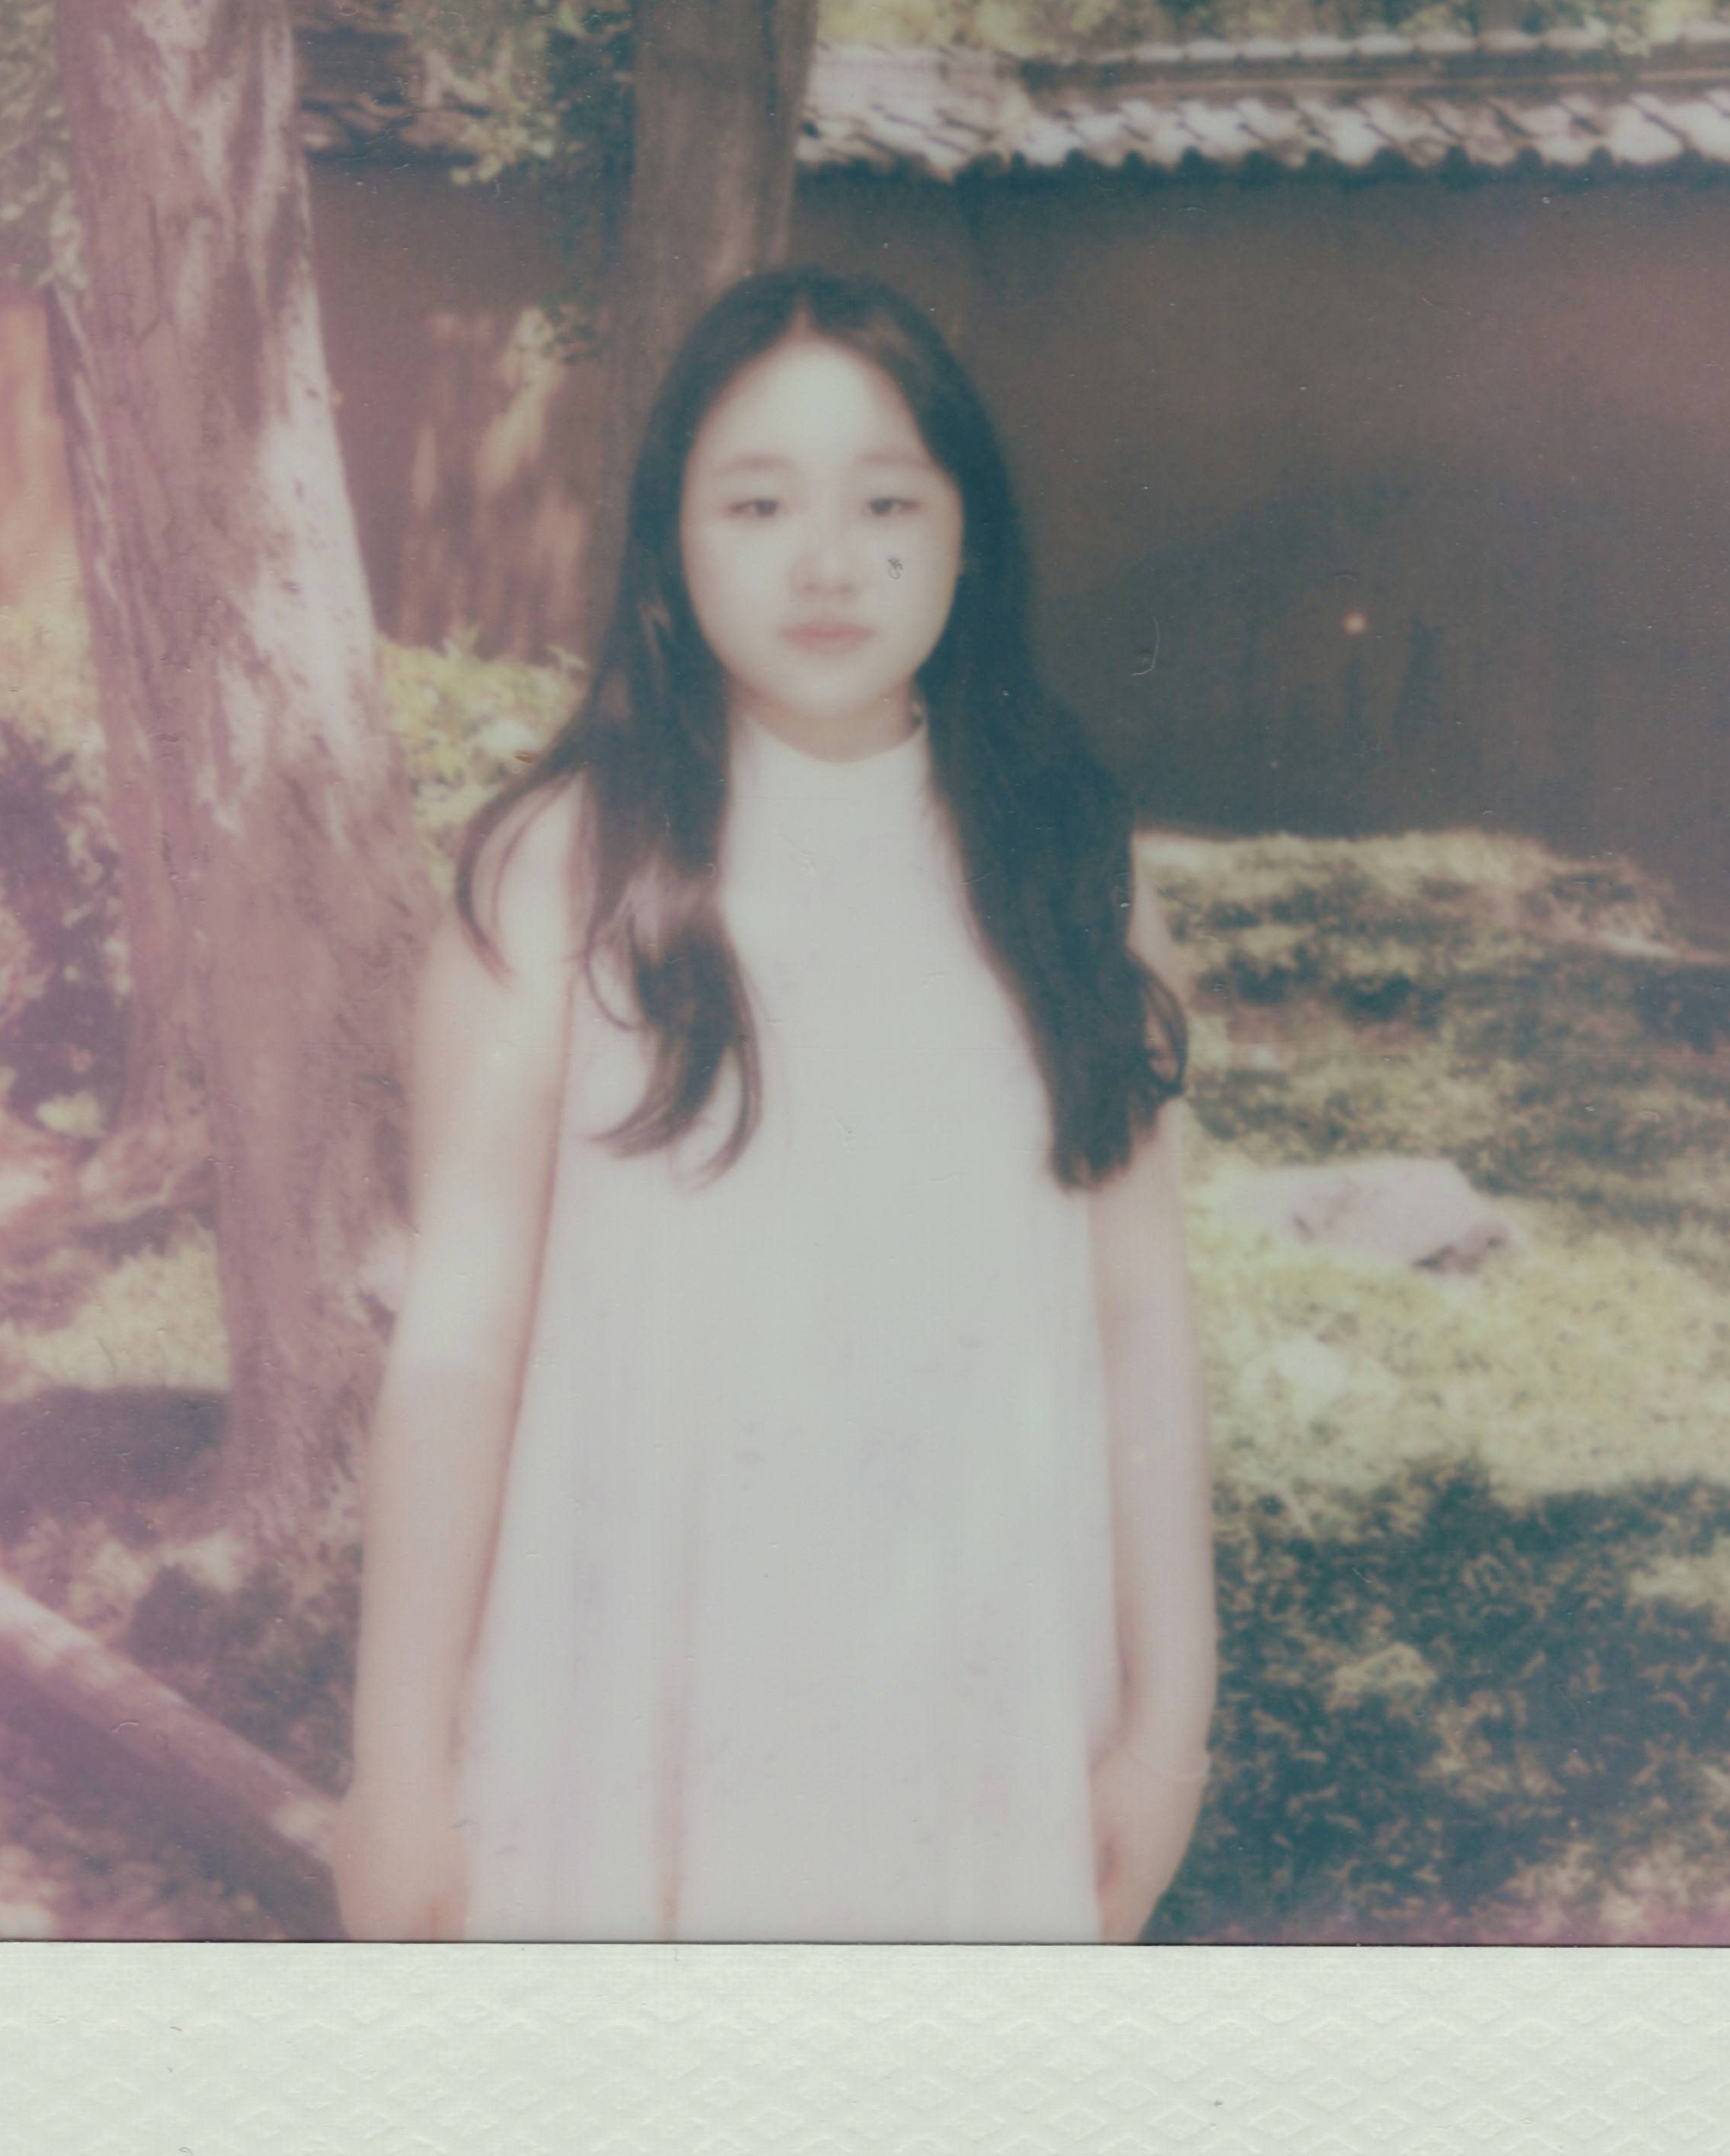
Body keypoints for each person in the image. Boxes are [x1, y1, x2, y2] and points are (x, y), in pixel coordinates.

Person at [335, 267, 1216, 1943]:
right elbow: (457, 1352)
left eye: (887, 500)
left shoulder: (1068, 882)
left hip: (968, 1723)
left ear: (969, 536)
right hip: (621, 1725)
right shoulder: (556, 879)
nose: (827, 560)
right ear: (671, 541)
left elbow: (1136, 1320)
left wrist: (1166, 1728)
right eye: (756, 502)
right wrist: (393, 1777)